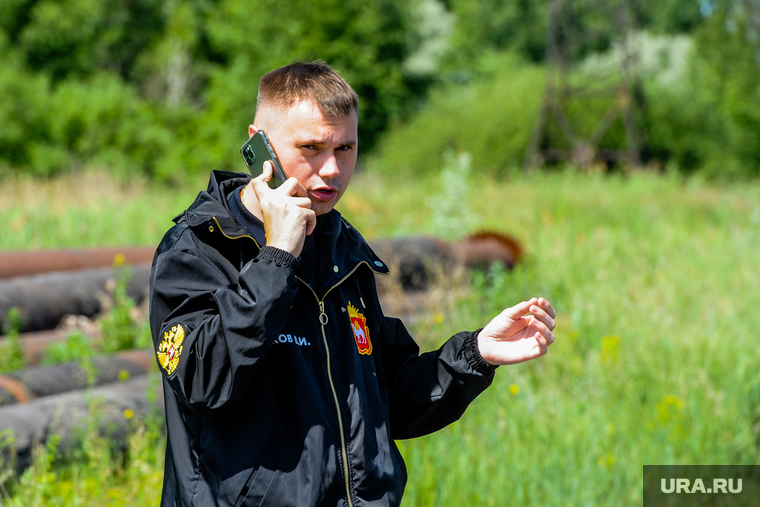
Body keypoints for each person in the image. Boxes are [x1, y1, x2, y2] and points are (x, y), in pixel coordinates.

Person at [149, 61, 556, 507]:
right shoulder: (198, 249)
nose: (331, 170)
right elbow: (206, 381)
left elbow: (386, 400)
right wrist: (277, 257)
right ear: (257, 143)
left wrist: (475, 354)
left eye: (345, 148)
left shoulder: (338, 246)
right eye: (311, 148)